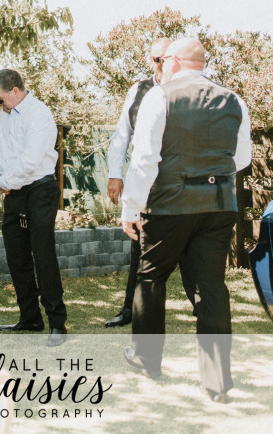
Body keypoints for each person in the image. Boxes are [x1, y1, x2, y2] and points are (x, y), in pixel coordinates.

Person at [120, 38, 251, 401]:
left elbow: (145, 159)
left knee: (151, 277)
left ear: (174, 61)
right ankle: (217, 382)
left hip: (170, 205)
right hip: (218, 206)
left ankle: (147, 359)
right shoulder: (235, 100)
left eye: (163, 59)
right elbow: (241, 158)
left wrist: (131, 208)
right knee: (211, 287)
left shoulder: (159, 97)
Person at [104, 36, 198, 328]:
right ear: (150, 60)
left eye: (165, 58)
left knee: (190, 250)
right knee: (140, 248)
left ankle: (201, 307)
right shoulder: (139, 90)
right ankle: (131, 309)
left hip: (181, 184)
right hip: (146, 182)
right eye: (156, 59)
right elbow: (122, 134)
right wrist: (115, 174)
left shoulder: (189, 90)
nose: (160, 64)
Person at [0, 69, 67, 347]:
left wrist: (5, 182)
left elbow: (32, 159)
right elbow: (5, 151)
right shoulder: (7, 113)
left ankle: (57, 323)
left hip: (39, 190)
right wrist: (6, 179)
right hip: (15, 191)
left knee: (43, 257)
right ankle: (30, 317)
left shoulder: (39, 114)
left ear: (15, 91)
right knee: (16, 256)